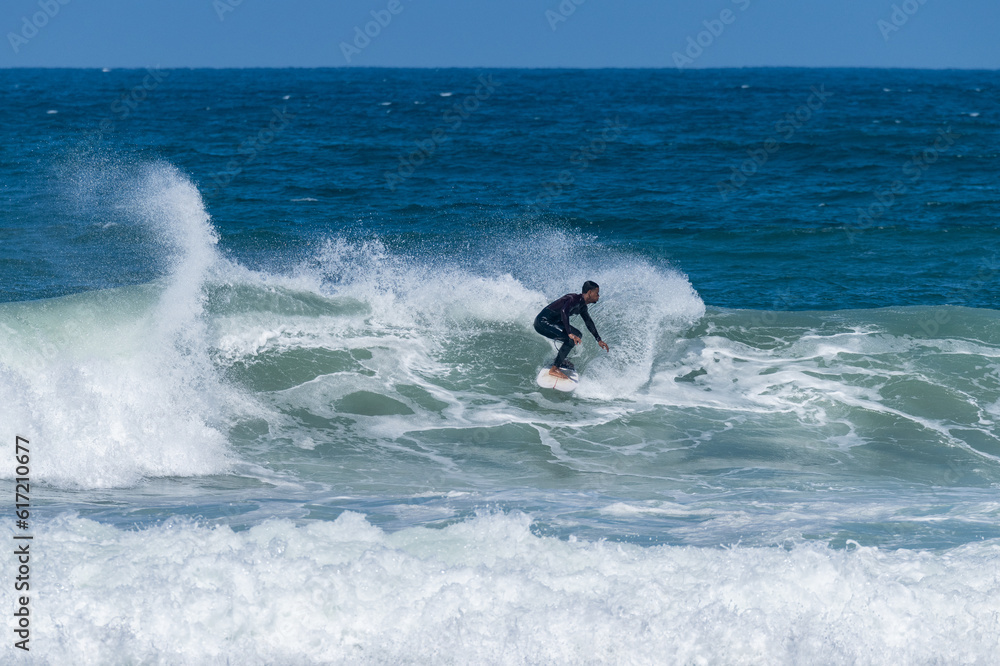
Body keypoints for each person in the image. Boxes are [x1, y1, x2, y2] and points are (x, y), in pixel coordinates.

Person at [533, 280, 610, 379]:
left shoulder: (582, 306)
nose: (598, 296)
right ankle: (554, 369)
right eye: (597, 293)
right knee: (570, 338)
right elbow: (564, 311)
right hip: (542, 322)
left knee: (577, 334)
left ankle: (560, 360)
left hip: (553, 322)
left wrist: (598, 339)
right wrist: (569, 333)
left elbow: (588, 322)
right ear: (590, 292)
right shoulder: (574, 299)